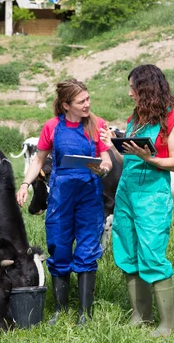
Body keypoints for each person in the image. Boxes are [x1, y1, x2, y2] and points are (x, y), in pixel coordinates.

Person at [16, 78, 112, 326]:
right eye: (82, 101)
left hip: (90, 195)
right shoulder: (52, 127)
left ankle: (84, 313)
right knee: (58, 248)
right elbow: (38, 161)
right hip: (60, 197)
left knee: (88, 249)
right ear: (66, 105)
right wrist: (25, 184)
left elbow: (107, 160)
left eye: (88, 99)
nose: (87, 104)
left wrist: (103, 169)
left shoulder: (97, 125)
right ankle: (60, 309)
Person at [100, 64, 174, 337]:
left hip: (152, 196)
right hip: (126, 193)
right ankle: (141, 315)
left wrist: (149, 158)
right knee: (127, 251)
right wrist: (116, 145)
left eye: (133, 88)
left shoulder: (172, 120)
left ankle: (168, 325)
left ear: (147, 89)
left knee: (151, 253)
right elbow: (130, 160)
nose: (129, 93)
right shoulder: (134, 119)